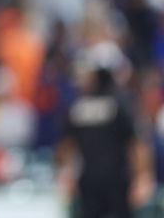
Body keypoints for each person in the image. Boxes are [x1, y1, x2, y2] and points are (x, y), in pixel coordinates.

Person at [56, 43, 154, 218]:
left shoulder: (79, 105)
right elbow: (137, 144)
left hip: (89, 181)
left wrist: (65, 173)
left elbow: (66, 146)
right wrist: (143, 177)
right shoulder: (122, 103)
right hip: (117, 181)